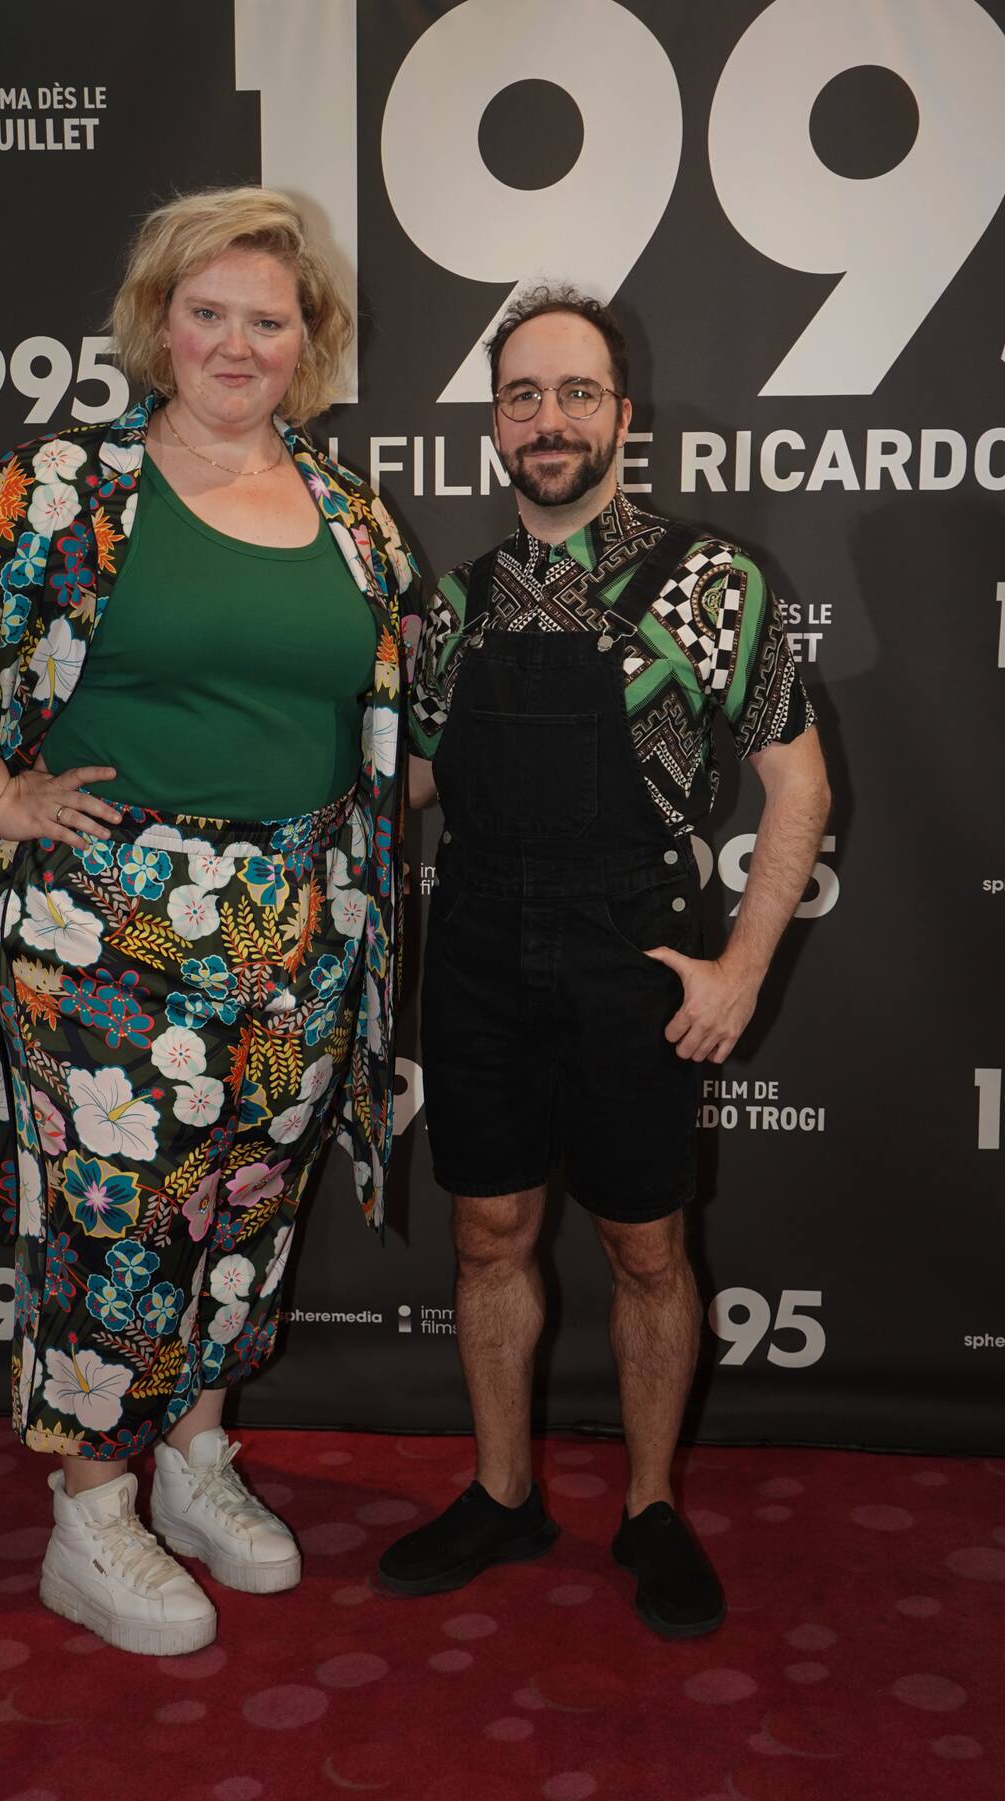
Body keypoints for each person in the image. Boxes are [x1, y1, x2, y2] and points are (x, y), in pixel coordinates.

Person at [0, 186, 420, 1656]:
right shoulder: (67, 488)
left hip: (304, 924)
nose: (234, 341)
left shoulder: (351, 517)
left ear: (311, 343)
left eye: (266, 320)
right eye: (205, 312)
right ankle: (91, 1516)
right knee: (119, 1230)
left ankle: (197, 1455)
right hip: (110, 930)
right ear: (158, 326)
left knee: (248, 1210)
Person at [381, 285, 830, 1638]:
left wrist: (739, 969)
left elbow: (798, 791)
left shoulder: (715, 586)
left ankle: (647, 1506)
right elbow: (399, 789)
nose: (551, 418)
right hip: (473, 955)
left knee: (646, 1246)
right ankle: (505, 1489)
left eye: (578, 393)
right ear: (495, 426)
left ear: (623, 417)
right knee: (485, 1234)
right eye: (524, 396)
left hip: (632, 953)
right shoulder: (448, 611)